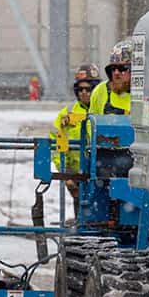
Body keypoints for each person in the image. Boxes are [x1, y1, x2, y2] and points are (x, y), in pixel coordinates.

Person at [49, 63, 100, 212]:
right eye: (80, 89)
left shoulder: (104, 110)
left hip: (103, 174)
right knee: (83, 216)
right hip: (79, 177)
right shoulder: (67, 114)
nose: (84, 93)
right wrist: (67, 175)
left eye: (88, 89)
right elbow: (58, 146)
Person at [89, 40, 132, 116]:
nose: (116, 73)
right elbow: (91, 124)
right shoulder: (100, 91)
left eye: (121, 68)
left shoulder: (147, 94)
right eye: (113, 68)